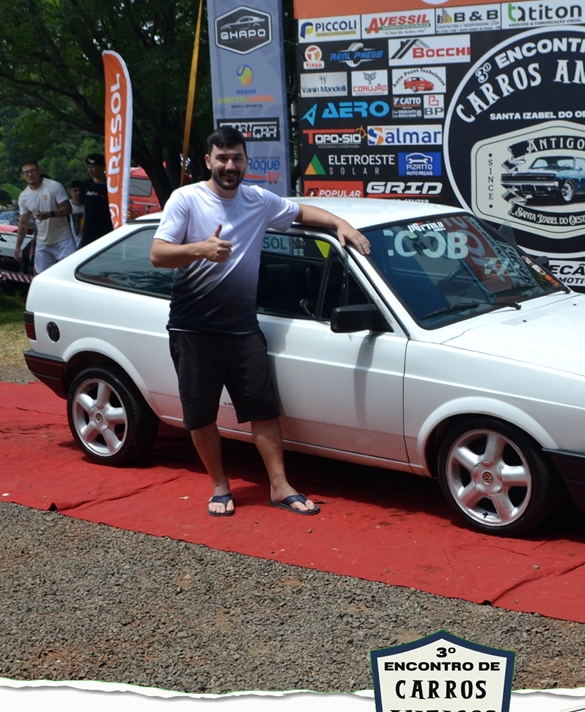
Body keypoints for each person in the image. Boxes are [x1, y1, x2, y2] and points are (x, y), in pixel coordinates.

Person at [150, 128, 370, 518]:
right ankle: (220, 487)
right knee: (200, 415)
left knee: (264, 410)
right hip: (193, 328)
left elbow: (301, 212)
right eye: (222, 158)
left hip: (242, 327)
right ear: (208, 161)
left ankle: (279, 486)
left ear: (246, 161)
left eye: (236, 158)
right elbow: (158, 254)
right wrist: (201, 249)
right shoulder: (186, 199)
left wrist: (341, 224)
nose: (229, 165)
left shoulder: (257, 200)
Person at [15, 160, 76, 273]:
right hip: (42, 242)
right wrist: (18, 246)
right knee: (40, 275)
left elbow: (68, 209)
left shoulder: (54, 186)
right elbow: (23, 223)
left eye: (32, 171)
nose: (30, 174)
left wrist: (50, 214)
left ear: (39, 171)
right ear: (23, 175)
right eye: (26, 172)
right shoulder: (24, 196)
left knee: (70, 272)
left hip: (63, 239)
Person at [78, 153, 113, 248]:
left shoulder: (111, 186)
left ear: (101, 167)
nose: (90, 170)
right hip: (89, 230)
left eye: (93, 167)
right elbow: (84, 207)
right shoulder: (86, 185)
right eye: (88, 167)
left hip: (106, 228)